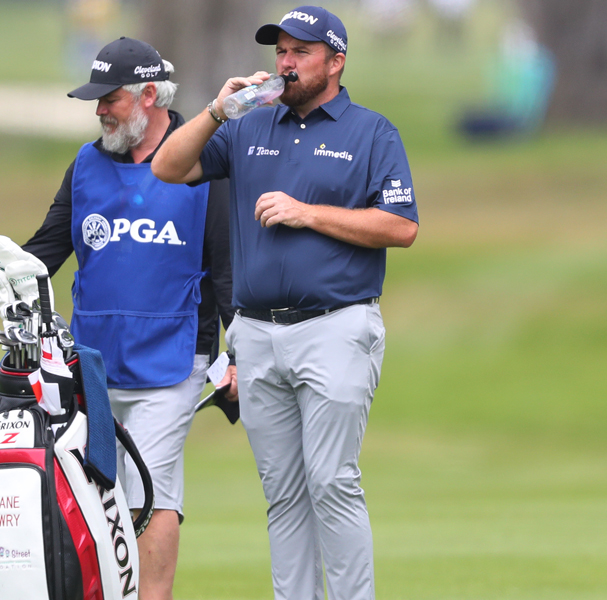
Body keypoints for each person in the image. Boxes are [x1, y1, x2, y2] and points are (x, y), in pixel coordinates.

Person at [0, 37, 237, 600]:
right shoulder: (86, 164)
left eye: (111, 98)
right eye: (95, 99)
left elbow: (225, 266)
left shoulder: (204, 160)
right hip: (90, 362)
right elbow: (45, 248)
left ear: (149, 95)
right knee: (93, 488)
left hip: (174, 358)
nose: (99, 109)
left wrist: (235, 355)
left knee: (150, 487)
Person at [151, 6, 418, 600]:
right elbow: (166, 167)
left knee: (332, 482)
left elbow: (401, 227)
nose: (286, 63)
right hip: (256, 335)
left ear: (335, 61)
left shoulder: (371, 132)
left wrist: (307, 214)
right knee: (285, 492)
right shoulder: (248, 126)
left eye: (300, 52)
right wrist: (218, 110)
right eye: (280, 52)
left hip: (336, 326)